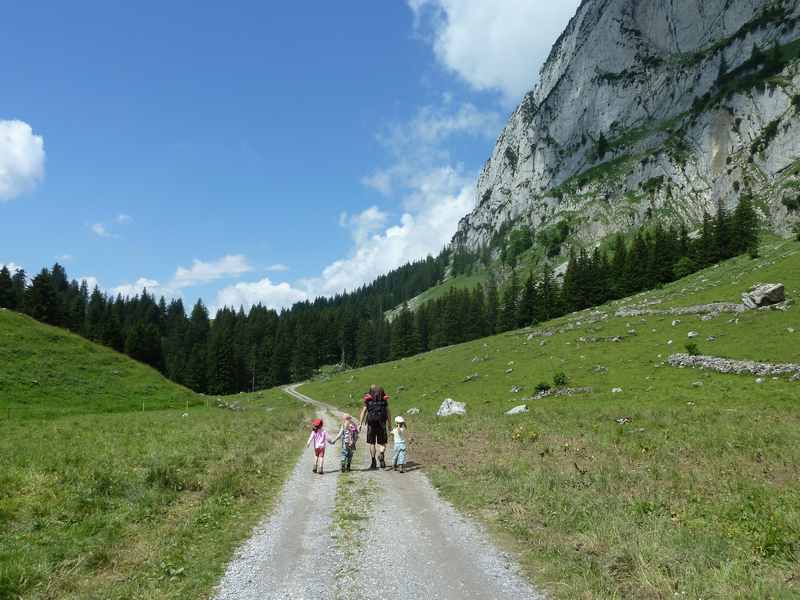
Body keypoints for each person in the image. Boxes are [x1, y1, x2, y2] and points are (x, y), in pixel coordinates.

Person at [358, 384, 391, 470]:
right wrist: (389, 424)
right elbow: (388, 413)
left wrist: (360, 424)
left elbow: (363, 412)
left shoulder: (368, 401)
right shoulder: (384, 401)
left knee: (372, 443)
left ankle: (373, 462)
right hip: (382, 423)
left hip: (371, 424)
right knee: (382, 442)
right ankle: (381, 454)